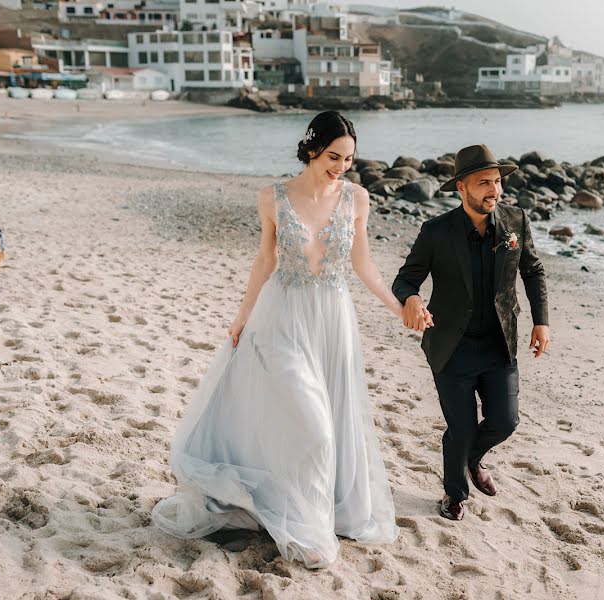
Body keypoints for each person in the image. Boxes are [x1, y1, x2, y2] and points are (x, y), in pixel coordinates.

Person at [152, 111, 402, 568]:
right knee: (314, 428)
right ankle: (306, 527)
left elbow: (365, 266)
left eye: (348, 158)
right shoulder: (272, 197)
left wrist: (400, 306)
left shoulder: (357, 199)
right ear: (311, 149)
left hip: (332, 321)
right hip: (282, 317)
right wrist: (242, 316)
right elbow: (265, 261)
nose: (341, 166)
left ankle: (315, 510)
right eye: (332, 156)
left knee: (329, 419)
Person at [392, 144, 550, 521]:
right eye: (483, 183)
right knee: (460, 428)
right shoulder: (436, 232)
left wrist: (541, 321)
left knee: (505, 421)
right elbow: (405, 279)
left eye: (496, 181)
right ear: (461, 187)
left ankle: (474, 459)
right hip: (452, 346)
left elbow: (533, 270)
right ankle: (453, 494)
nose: (493, 190)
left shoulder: (515, 221)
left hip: (499, 344)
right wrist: (411, 300)